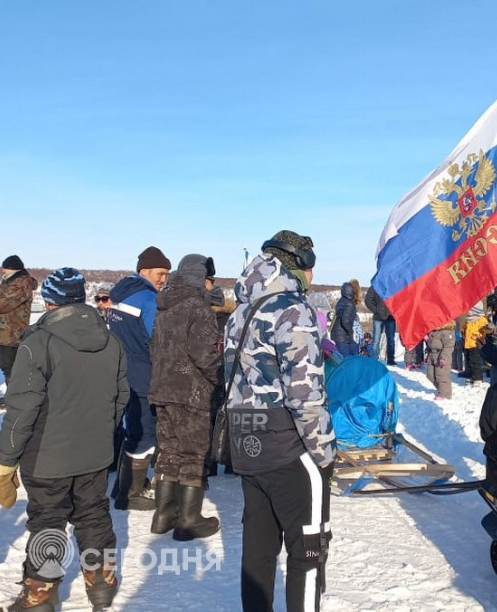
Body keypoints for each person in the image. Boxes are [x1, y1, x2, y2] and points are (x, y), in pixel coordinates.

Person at [0, 268, 129, 611]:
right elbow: (119, 398)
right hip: (94, 452)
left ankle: (39, 595)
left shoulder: (39, 342)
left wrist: (4, 459)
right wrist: (101, 434)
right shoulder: (111, 341)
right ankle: (101, 582)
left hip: (46, 455)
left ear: (49, 302)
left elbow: (22, 408)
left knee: (48, 520)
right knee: (93, 513)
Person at [225, 230, 336, 612]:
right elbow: (305, 394)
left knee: (258, 548)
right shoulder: (293, 310)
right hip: (287, 445)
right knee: (308, 551)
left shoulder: (241, 311)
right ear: (300, 264)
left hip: (246, 440)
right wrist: (324, 452)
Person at [148, 254, 222, 541]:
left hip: (162, 389)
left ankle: (163, 514)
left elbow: (154, 347)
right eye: (209, 278)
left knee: (169, 450)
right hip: (191, 392)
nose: (211, 284)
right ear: (199, 277)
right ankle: (189, 519)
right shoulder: (199, 308)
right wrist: (218, 380)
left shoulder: (165, 306)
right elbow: (204, 355)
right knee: (194, 453)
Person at [109, 246, 171, 512]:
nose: (163, 279)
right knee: (144, 431)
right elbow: (158, 340)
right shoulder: (148, 299)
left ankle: (122, 486)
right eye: (160, 274)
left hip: (122, 371)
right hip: (144, 373)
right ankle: (132, 493)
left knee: (131, 427)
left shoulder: (121, 294)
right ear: (144, 272)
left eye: (166, 274)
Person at [0, 255, 38, 409]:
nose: (2, 271)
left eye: (4, 268)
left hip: (11, 332)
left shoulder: (20, 282)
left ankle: (14, 398)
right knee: (8, 366)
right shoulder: (11, 281)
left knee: (10, 366)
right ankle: (13, 396)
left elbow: (4, 304)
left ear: (12, 268)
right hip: (4, 330)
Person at [364, 285, 396, 364]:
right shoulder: (376, 285)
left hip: (390, 317)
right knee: (376, 340)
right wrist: (376, 310)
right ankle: (374, 360)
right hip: (378, 317)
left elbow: (399, 299)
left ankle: (391, 360)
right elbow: (368, 299)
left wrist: (395, 311)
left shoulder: (393, 284)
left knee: (391, 340)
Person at [426, 321, 456, 400]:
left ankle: (444, 394)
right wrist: (427, 353)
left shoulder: (446, 332)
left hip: (441, 356)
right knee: (430, 375)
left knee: (441, 376)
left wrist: (444, 358)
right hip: (432, 355)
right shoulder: (433, 331)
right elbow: (430, 345)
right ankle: (443, 389)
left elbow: (448, 347)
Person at [331, 280, 361, 356]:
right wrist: (351, 331)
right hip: (343, 336)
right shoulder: (349, 303)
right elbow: (345, 321)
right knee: (346, 359)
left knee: (341, 357)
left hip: (338, 335)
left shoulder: (342, 300)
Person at [463, 303, 489, 385]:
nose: (467, 311)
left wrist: (478, 336)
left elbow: (485, 331)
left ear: (475, 311)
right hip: (468, 344)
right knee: (469, 361)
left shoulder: (481, 320)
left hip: (476, 344)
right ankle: (471, 376)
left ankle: (478, 378)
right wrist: (463, 332)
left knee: (475, 362)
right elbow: (465, 328)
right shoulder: (468, 320)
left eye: (469, 310)